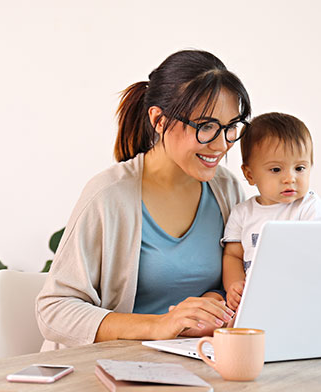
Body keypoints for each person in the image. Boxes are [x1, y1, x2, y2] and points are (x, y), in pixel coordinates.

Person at [36, 49, 251, 350]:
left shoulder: (227, 190)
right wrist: (160, 325)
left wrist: (214, 301)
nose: (221, 144)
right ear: (159, 120)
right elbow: (55, 310)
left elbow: (236, 275)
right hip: (111, 368)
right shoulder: (108, 195)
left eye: (231, 127)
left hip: (193, 362)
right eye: (205, 127)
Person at [222, 112, 321, 311]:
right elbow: (233, 256)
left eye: (299, 168)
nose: (290, 178)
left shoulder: (308, 207)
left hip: (301, 298)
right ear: (250, 174)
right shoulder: (242, 213)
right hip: (257, 302)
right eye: (276, 170)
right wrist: (234, 285)